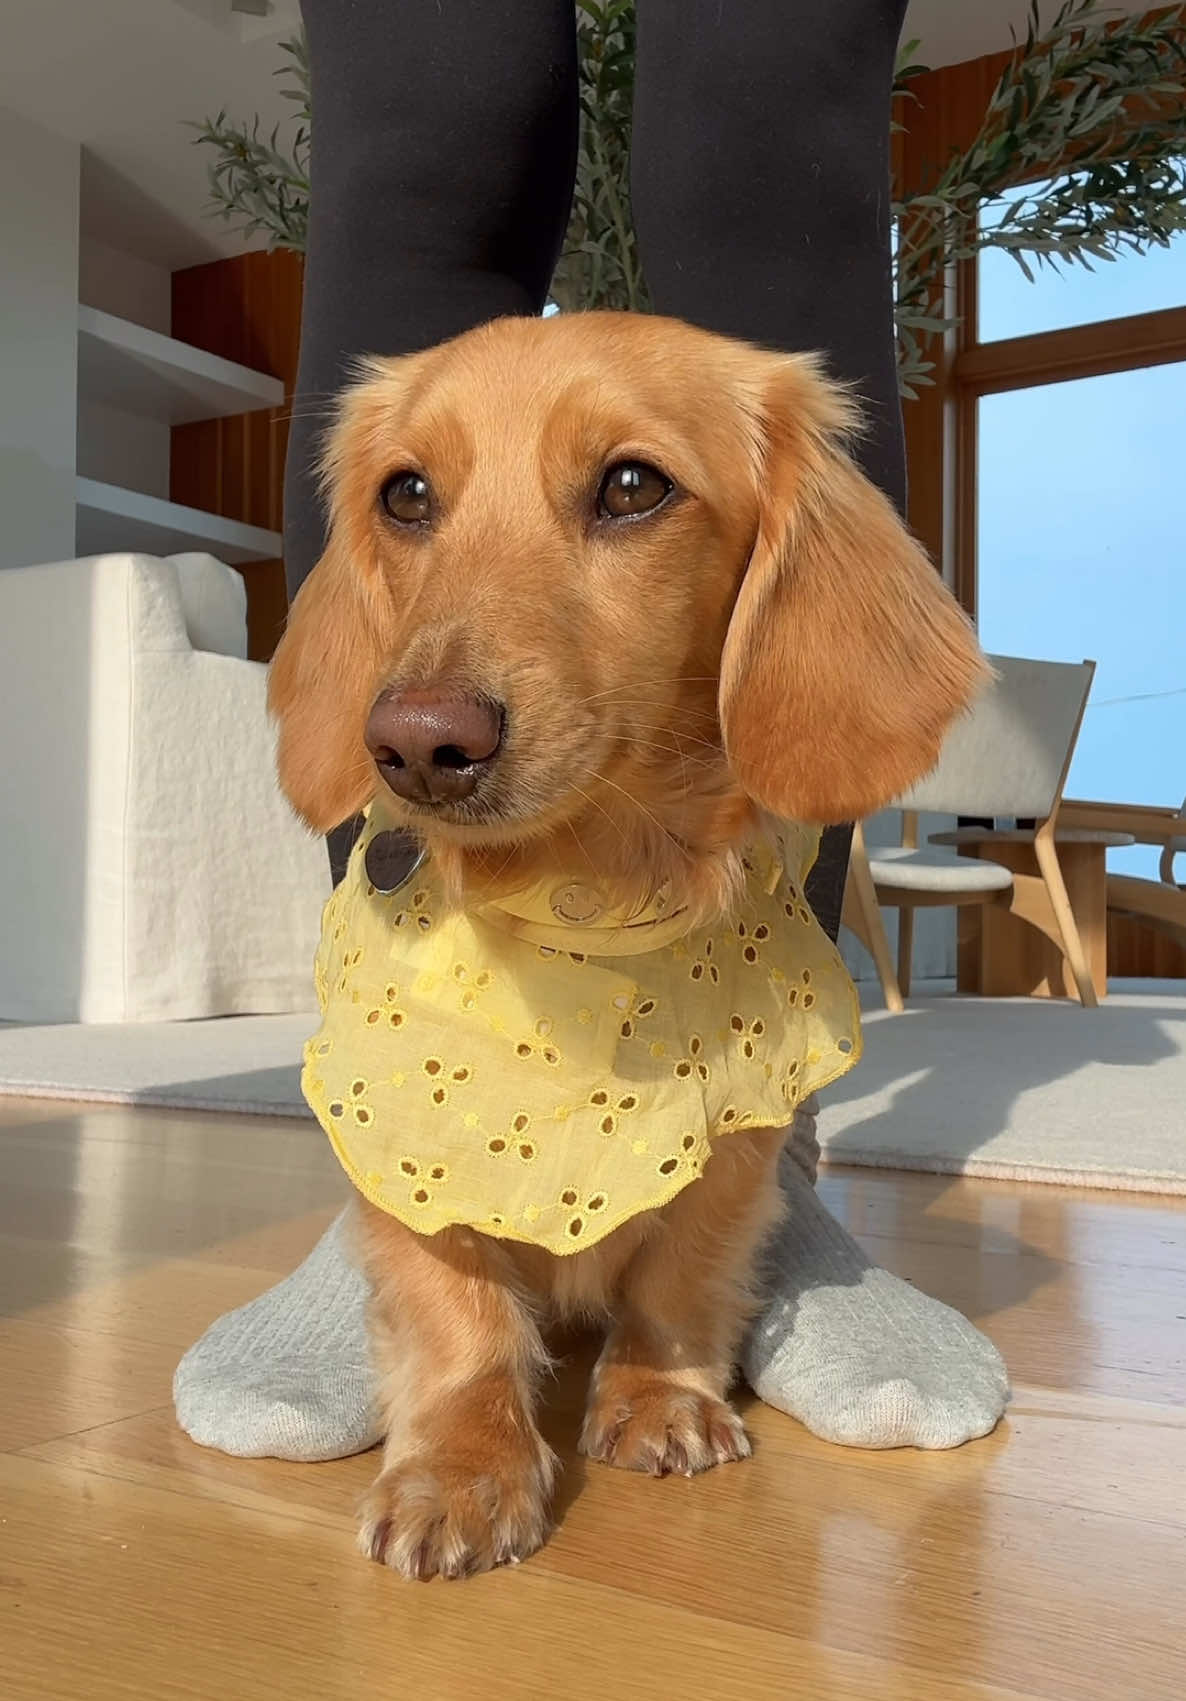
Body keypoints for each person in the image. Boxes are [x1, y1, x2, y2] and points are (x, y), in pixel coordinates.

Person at [174, 0, 1007, 1460]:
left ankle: (756, 1180)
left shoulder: (787, 523)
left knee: (772, 98)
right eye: (413, 501)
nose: (429, 704)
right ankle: (407, 1195)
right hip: (427, 1013)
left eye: (626, 489)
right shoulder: (387, 646)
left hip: (722, 909)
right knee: (422, 132)